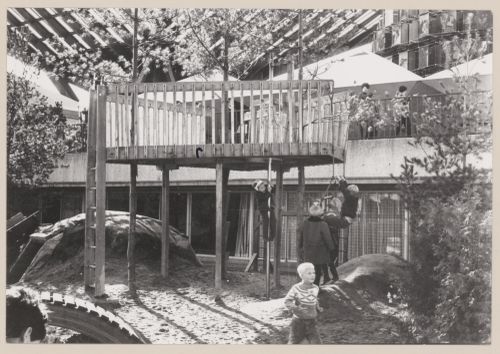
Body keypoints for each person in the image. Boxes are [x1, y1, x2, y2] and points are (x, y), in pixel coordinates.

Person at [284, 262, 324, 344]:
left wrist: (318, 307)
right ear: (301, 275)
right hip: (299, 322)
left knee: (317, 343)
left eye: (314, 273)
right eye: (309, 273)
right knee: (294, 343)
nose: (313, 275)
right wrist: (295, 307)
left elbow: (314, 299)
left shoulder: (316, 288)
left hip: (312, 321)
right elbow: (287, 301)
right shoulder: (296, 288)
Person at [298, 203, 334, 286]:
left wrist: (300, 247)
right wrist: (331, 248)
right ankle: (316, 287)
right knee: (317, 271)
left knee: (309, 270)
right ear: (320, 213)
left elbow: (301, 236)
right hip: (320, 251)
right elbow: (327, 238)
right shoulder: (323, 224)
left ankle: (309, 286)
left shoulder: (305, 223)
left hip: (308, 251)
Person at [323, 197, 352, 283]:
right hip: (332, 241)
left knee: (326, 260)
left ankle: (327, 277)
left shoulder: (325, 216)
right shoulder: (332, 217)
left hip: (324, 241)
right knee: (330, 260)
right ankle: (334, 277)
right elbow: (343, 224)